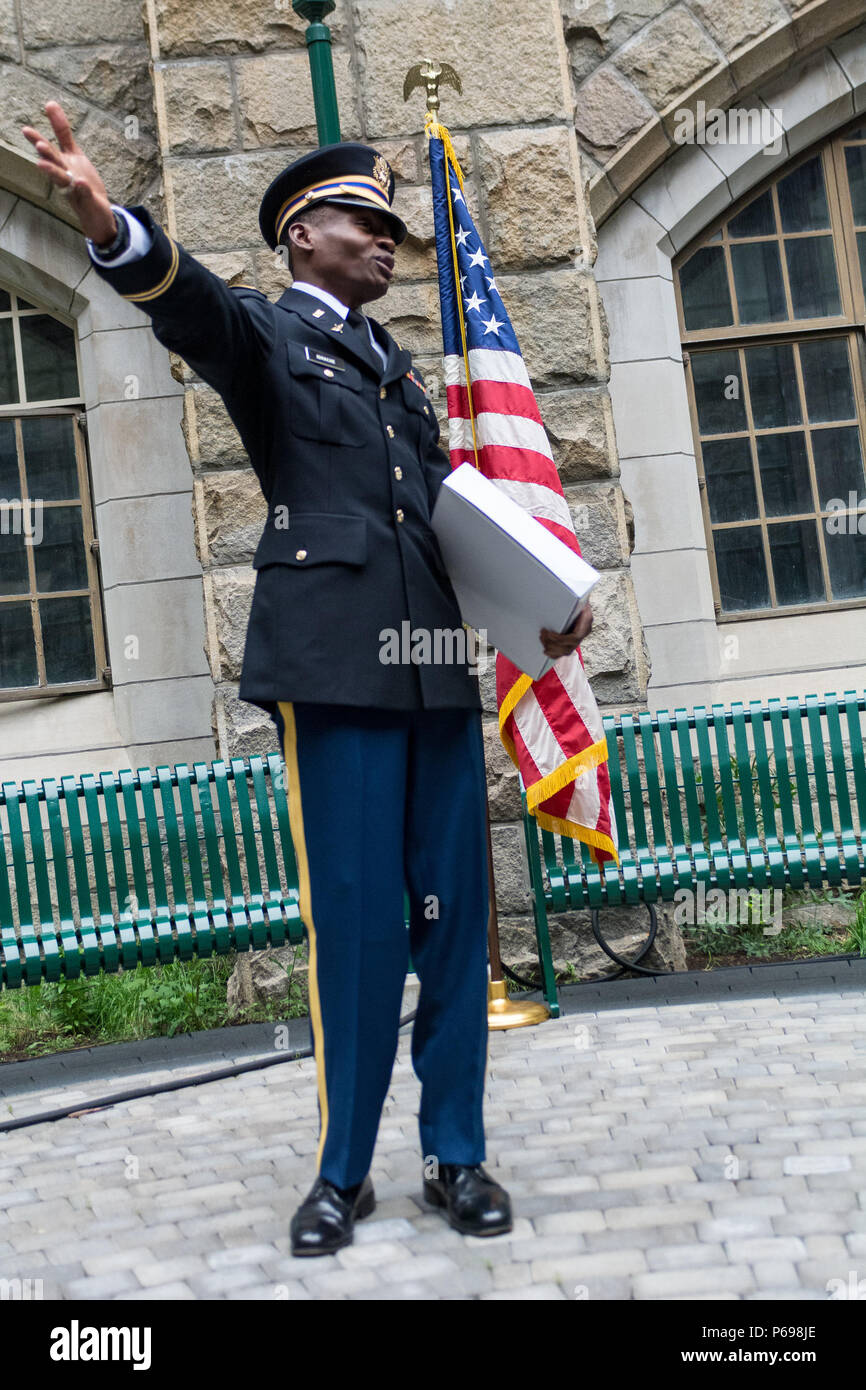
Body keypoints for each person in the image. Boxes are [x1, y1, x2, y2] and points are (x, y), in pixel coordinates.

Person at [22, 102, 593, 1257]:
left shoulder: (400, 376)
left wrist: (545, 607)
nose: (386, 241)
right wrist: (106, 223)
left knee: (453, 922)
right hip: (336, 676)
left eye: (391, 227)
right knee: (357, 930)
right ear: (299, 237)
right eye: (361, 222)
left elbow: (450, 526)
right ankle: (341, 1173)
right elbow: (193, 308)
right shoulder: (270, 342)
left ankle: (455, 1155)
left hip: (433, 673)